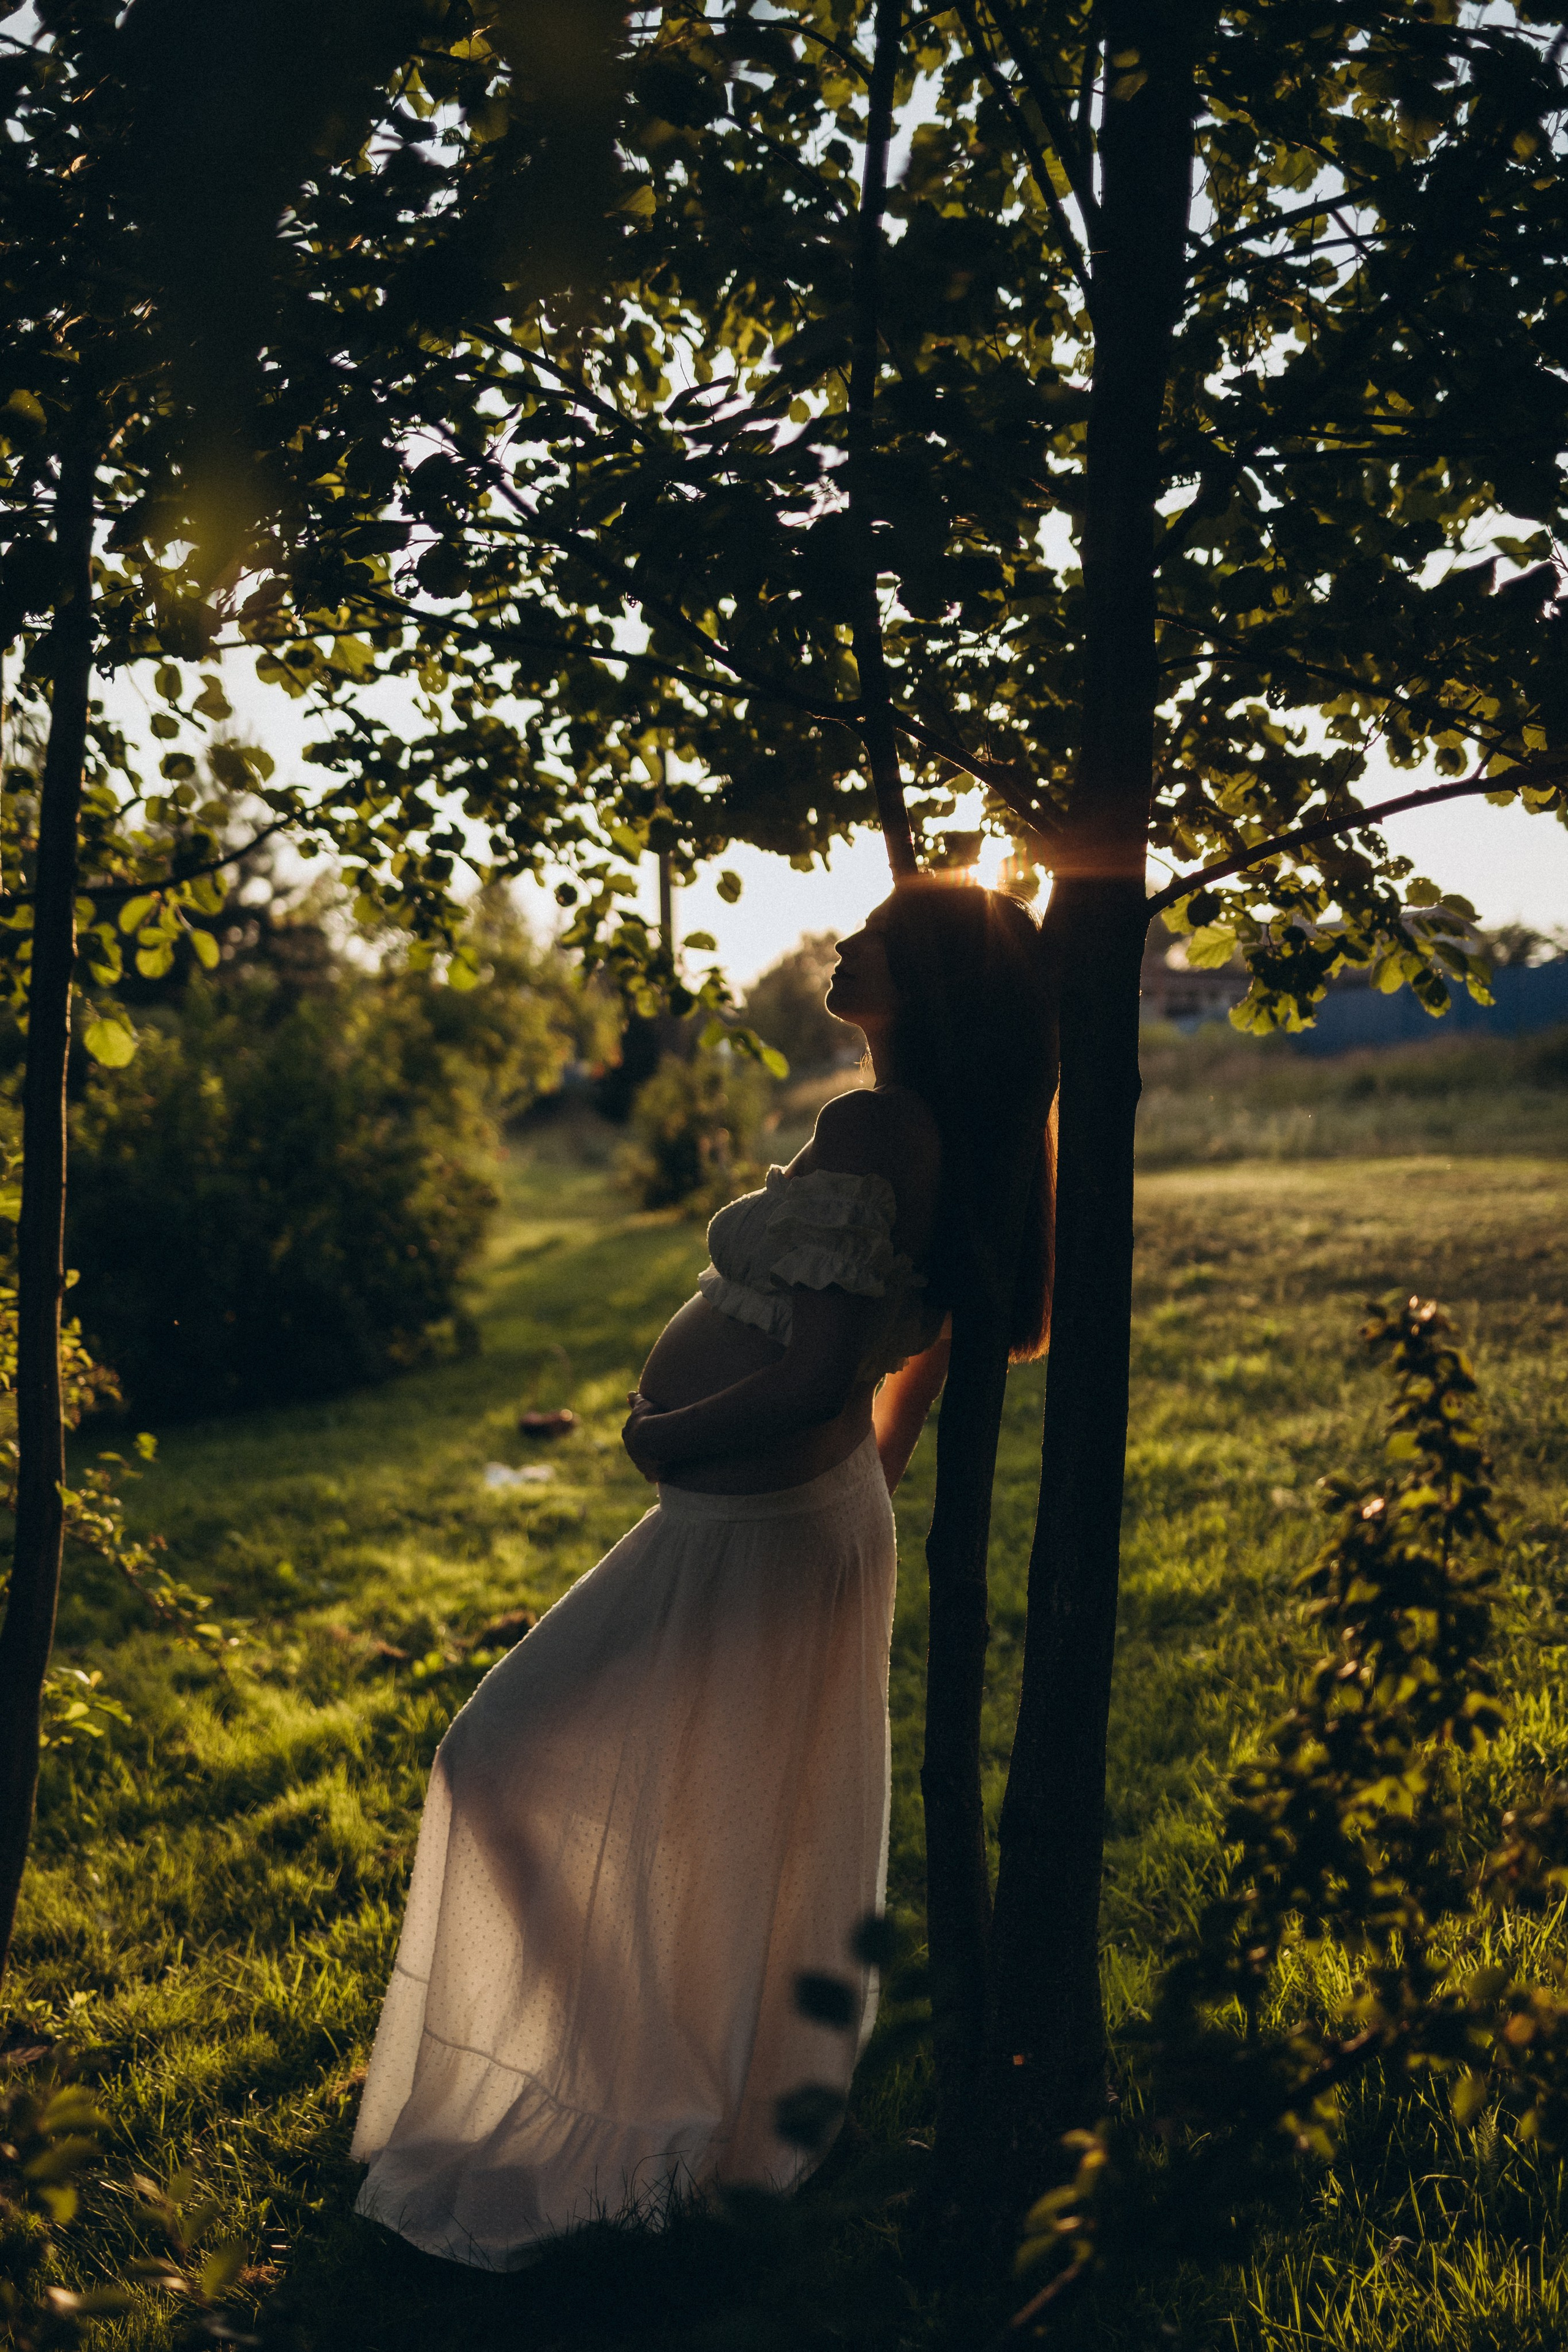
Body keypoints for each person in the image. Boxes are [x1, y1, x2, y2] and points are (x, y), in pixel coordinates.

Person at [350, 878, 1057, 2266]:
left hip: (751, 1524)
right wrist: (869, 1480)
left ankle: (636, 2080)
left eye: (874, 938)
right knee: (713, 1808)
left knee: (495, 1757)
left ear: (918, 985)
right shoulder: (930, 1128)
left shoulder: (880, 1124)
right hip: (794, 1521)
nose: (843, 944)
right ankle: (666, 2072)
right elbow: (914, 1346)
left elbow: (808, 1376)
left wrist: (656, 1434)